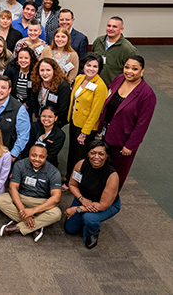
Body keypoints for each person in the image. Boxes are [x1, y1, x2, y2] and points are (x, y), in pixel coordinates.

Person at [97, 55, 156, 190]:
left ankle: (111, 198)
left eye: (134, 69)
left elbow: (142, 124)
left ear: (142, 71)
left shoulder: (147, 94)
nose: (129, 71)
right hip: (107, 133)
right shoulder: (119, 79)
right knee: (103, 163)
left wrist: (130, 145)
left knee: (118, 171)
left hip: (123, 140)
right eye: (127, 67)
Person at [0, 143, 62, 242]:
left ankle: (18, 227)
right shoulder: (20, 164)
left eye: (41, 157)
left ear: (46, 157)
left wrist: (33, 211)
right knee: (0, 200)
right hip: (21, 198)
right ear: (29, 154)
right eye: (33, 155)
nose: (37, 159)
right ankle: (37, 224)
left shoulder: (53, 172)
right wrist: (22, 209)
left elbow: (56, 198)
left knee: (56, 213)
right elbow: (13, 188)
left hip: (41, 202)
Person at [64, 141, 121, 249]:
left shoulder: (112, 176)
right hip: (84, 198)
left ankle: (93, 232)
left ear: (107, 156)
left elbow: (103, 205)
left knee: (89, 218)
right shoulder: (81, 165)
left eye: (101, 154)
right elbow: (72, 185)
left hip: (105, 204)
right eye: (93, 153)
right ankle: (84, 221)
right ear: (88, 154)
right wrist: (82, 199)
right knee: (70, 229)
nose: (96, 157)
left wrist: (77, 209)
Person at [66, 53, 108, 184]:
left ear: (99, 68)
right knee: (72, 152)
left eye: (95, 66)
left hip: (86, 128)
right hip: (74, 122)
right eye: (88, 65)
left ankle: (75, 183)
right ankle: (68, 178)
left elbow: (95, 113)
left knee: (80, 157)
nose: (91, 69)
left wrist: (84, 133)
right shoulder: (80, 79)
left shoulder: (100, 87)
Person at [91, 16, 138, 85]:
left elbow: (135, 73)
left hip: (113, 87)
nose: (110, 29)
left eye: (114, 27)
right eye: (109, 26)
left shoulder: (128, 49)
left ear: (121, 29)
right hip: (94, 83)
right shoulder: (98, 41)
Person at [29, 58, 71, 125]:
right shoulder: (37, 82)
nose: (45, 73)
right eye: (42, 70)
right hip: (40, 119)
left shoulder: (63, 86)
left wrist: (50, 122)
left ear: (54, 71)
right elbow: (33, 100)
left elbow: (63, 109)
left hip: (57, 122)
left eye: (48, 70)